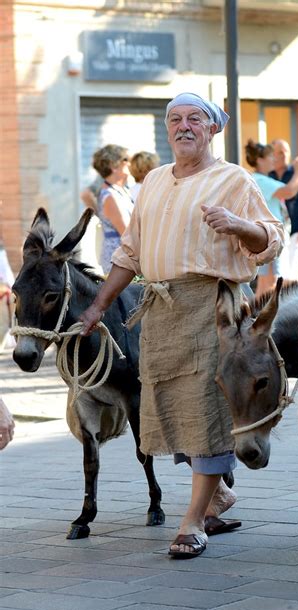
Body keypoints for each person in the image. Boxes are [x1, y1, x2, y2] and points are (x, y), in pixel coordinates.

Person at [79, 92, 284, 559]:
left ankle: (192, 521)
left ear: (213, 129)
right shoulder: (151, 180)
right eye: (175, 119)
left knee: (209, 408)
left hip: (215, 307)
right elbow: (129, 252)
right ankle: (214, 497)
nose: (184, 126)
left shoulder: (232, 179)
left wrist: (238, 224)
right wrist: (97, 307)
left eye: (195, 118)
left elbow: (271, 237)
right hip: (163, 308)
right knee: (169, 405)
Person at [245, 139, 298, 297]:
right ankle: (263, 319)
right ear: (260, 160)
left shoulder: (260, 179)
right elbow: (289, 191)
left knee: (265, 283)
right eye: (270, 157)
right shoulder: (260, 180)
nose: (273, 159)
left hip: (268, 236)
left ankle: (254, 318)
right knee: (272, 283)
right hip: (272, 237)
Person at [270, 139, 298, 280]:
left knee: (291, 277)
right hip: (274, 234)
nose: (283, 155)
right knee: (275, 278)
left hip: (295, 233)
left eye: (286, 152)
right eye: (279, 152)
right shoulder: (268, 175)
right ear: (272, 155)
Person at [92, 145, 135, 274]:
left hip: (125, 256)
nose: (129, 162)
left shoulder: (122, 190)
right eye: (125, 159)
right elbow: (127, 232)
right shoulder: (110, 196)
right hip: (118, 260)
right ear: (114, 166)